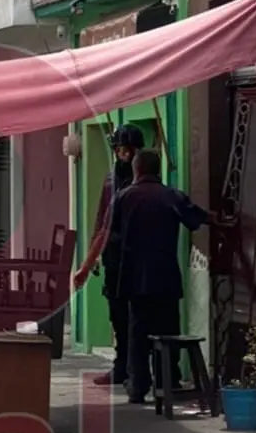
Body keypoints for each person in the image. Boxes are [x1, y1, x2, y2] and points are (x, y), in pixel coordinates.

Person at [107, 149, 209, 405]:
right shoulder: (170, 196)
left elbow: (110, 235)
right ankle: (168, 382)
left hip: (134, 279)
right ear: (158, 169)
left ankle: (137, 387)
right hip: (165, 276)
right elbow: (196, 217)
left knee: (137, 333)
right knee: (167, 333)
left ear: (137, 170)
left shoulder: (123, 197)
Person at [73, 124, 146, 386]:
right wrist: (92, 257)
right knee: (118, 316)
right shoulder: (111, 181)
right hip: (115, 259)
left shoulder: (144, 184)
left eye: (129, 150)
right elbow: (101, 222)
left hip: (140, 261)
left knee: (140, 319)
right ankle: (122, 366)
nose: (124, 155)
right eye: (120, 150)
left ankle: (138, 372)